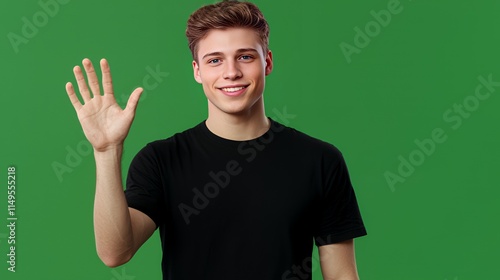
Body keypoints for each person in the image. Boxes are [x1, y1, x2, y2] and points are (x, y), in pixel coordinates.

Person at [65, 1, 367, 279]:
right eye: (214, 61)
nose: (231, 72)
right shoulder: (160, 160)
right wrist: (106, 151)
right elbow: (115, 253)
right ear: (197, 71)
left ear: (268, 62)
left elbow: (341, 275)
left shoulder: (319, 160)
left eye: (245, 57)